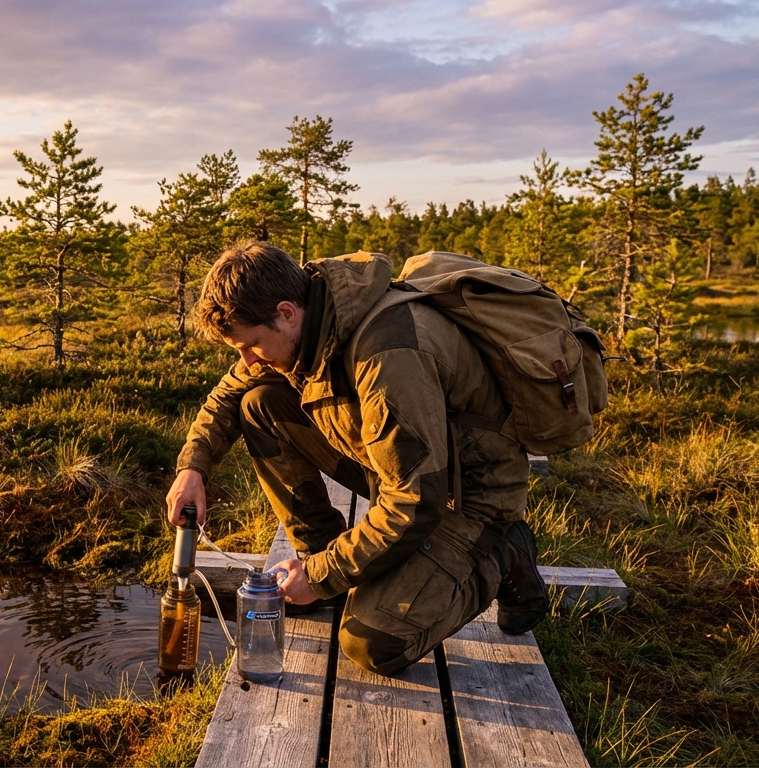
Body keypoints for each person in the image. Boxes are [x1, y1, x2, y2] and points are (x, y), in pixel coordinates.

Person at [166, 242, 547, 676]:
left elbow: (414, 501)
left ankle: (503, 554)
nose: (247, 359)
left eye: (251, 345)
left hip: (464, 497)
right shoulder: (313, 322)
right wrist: (192, 469)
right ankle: (322, 565)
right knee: (258, 403)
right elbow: (228, 395)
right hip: (401, 468)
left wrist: (321, 573)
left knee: (371, 643)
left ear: (286, 312)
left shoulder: (389, 353)